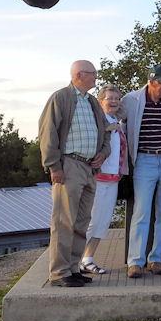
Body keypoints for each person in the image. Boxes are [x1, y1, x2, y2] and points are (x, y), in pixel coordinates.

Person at [39, 60, 109, 287]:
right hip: (69, 165)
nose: (96, 78)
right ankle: (59, 273)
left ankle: (73, 267)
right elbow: (48, 132)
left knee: (81, 221)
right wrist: (54, 166)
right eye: (93, 74)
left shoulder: (92, 101)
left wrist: (103, 153)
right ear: (79, 75)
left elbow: (105, 131)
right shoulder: (61, 98)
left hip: (89, 167)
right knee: (64, 222)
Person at [122, 64, 161, 278]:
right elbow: (111, 112)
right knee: (141, 211)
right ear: (151, 82)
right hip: (144, 160)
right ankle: (135, 262)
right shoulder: (131, 99)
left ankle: (156, 259)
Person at [80, 84, 128, 275]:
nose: (114, 101)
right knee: (92, 219)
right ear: (101, 101)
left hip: (113, 177)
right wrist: (108, 129)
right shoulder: (97, 120)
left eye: (117, 98)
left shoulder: (117, 121)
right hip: (98, 177)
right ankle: (75, 259)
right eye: (110, 98)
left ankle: (88, 258)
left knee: (103, 221)